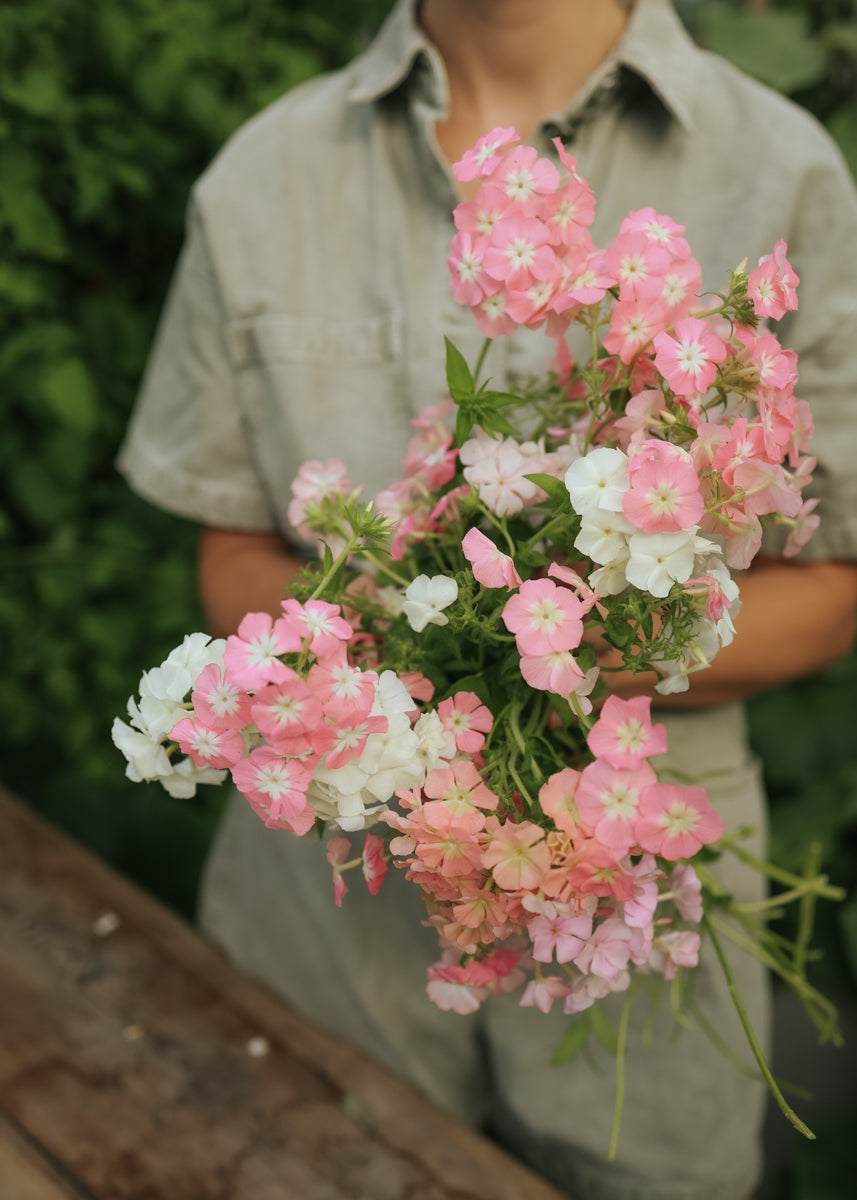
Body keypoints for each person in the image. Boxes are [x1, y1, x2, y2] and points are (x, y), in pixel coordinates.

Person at [118, 1, 857, 1197]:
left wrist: (551, 657)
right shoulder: (263, 176)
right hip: (326, 922)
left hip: (634, 887)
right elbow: (235, 566)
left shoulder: (778, 167)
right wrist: (424, 689)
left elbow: (829, 591)